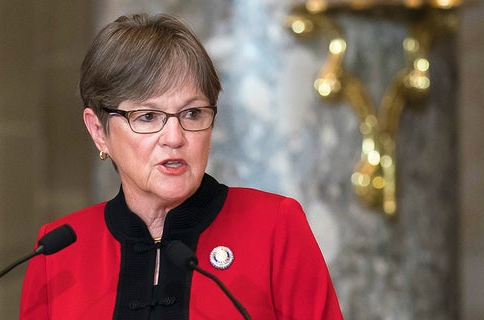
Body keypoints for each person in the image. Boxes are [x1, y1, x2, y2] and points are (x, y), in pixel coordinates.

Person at [20, 13, 343, 319]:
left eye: (193, 114)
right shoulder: (58, 252)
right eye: (147, 116)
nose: (174, 137)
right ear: (98, 131)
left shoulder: (275, 227)